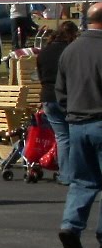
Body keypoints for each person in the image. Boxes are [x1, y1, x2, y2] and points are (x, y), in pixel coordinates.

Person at [56, 3, 102, 248]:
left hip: (77, 123)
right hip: (98, 120)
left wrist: (71, 112)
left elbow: (60, 91)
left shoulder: (70, 51)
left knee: (82, 181)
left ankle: (71, 225)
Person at [38, 20, 79, 186]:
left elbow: (40, 76)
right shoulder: (71, 52)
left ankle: (65, 173)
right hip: (67, 96)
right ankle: (73, 173)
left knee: (62, 137)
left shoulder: (44, 52)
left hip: (47, 96)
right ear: (71, 35)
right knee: (73, 136)